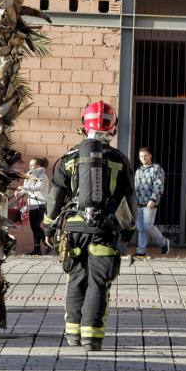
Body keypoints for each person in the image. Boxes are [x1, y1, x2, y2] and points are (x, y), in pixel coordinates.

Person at [43, 101, 137, 351]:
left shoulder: (69, 159)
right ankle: (91, 337)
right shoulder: (119, 160)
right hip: (105, 231)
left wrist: (48, 228)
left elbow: (55, 198)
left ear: (84, 127)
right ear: (112, 128)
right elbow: (129, 199)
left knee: (76, 279)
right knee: (98, 283)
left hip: (73, 232)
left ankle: (72, 334)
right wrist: (128, 230)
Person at [133, 147, 170, 257]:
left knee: (148, 225)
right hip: (138, 203)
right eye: (141, 156)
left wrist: (153, 199)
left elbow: (159, 186)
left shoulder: (156, 169)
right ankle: (141, 251)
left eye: (145, 155)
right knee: (140, 228)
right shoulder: (138, 171)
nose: (143, 158)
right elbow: (135, 187)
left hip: (150, 203)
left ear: (150, 156)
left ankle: (163, 242)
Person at [16, 157, 50, 255]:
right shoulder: (30, 176)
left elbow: (38, 188)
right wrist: (19, 191)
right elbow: (27, 190)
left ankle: (47, 243)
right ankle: (37, 249)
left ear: (38, 166)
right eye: (29, 164)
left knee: (36, 227)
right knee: (34, 227)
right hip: (33, 205)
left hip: (40, 204)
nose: (30, 166)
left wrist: (24, 187)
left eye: (32, 165)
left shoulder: (42, 176)